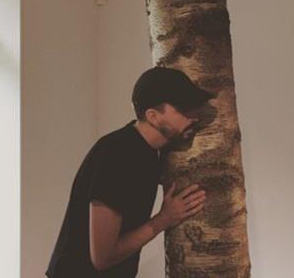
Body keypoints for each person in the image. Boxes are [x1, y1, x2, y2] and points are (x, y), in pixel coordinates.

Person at [45, 67, 215, 278]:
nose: (194, 116)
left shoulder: (147, 153)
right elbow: (102, 258)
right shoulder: (117, 155)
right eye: (182, 108)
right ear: (153, 116)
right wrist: (165, 218)